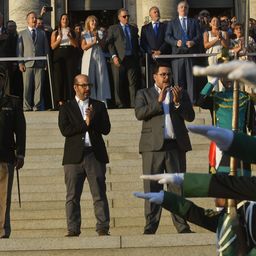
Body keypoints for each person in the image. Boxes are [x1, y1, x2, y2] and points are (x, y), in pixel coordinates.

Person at [134, 62, 195, 234]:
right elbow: (139, 114)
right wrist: (158, 102)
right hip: (152, 148)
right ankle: (151, 225)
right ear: (155, 77)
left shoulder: (180, 93)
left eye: (168, 74)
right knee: (152, 188)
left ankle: (182, 226)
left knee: (177, 189)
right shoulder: (144, 93)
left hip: (175, 147)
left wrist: (177, 104)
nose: (167, 78)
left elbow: (190, 116)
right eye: (163, 75)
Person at [134, 183, 256, 255]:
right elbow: (201, 216)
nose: (213, 197)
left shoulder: (250, 210)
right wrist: (166, 199)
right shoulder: (227, 215)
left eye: (217, 191)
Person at [58, 74, 111, 237]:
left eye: (89, 85)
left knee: (99, 193)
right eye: (83, 85)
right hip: (73, 157)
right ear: (75, 87)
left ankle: (102, 227)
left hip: (94, 154)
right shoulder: (66, 107)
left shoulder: (99, 106)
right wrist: (85, 123)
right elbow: (65, 130)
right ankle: (73, 228)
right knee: (72, 195)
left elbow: (106, 129)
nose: (87, 89)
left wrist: (92, 120)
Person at [197, 76, 255, 176]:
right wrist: (212, 81)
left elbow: (252, 126)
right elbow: (200, 101)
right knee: (222, 183)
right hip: (221, 146)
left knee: (242, 183)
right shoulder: (215, 97)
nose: (228, 78)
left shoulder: (246, 98)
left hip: (240, 145)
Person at [0, 65, 26, 238]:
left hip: (5, 156)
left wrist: (21, 153)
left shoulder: (13, 102)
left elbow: (21, 129)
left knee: (3, 197)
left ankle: (2, 230)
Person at [165, 1, 201, 104]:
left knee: (191, 80)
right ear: (177, 9)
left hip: (190, 54)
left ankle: (191, 102)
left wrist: (193, 42)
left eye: (185, 7)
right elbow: (167, 37)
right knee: (178, 80)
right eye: (181, 7)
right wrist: (176, 42)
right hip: (177, 55)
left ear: (188, 9)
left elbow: (199, 36)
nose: (183, 9)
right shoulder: (172, 23)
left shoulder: (193, 22)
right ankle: (178, 101)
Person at [107, 8, 141, 108]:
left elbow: (136, 44)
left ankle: (133, 103)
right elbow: (110, 43)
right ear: (119, 18)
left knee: (133, 82)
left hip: (131, 58)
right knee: (118, 82)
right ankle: (119, 103)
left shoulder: (133, 29)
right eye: (124, 16)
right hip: (119, 59)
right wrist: (114, 56)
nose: (126, 18)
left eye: (128, 16)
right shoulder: (113, 28)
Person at [17, 11, 49, 111]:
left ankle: (37, 106)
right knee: (27, 87)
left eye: (35, 18)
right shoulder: (21, 34)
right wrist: (20, 63)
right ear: (27, 20)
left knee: (38, 87)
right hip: (27, 64)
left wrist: (46, 63)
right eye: (32, 18)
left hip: (40, 64)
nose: (34, 20)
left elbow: (46, 49)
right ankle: (26, 107)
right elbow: (19, 50)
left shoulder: (42, 33)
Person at [81, 16, 111, 106]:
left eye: (95, 20)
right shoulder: (84, 33)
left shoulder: (100, 32)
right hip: (88, 57)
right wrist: (93, 42)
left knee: (101, 77)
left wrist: (98, 37)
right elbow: (83, 47)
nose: (94, 22)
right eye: (92, 21)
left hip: (98, 55)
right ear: (88, 23)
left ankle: (102, 100)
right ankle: (90, 99)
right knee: (89, 78)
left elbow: (103, 46)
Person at [51, 13, 78, 109]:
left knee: (70, 76)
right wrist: (60, 38)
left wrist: (70, 37)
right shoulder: (55, 32)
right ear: (60, 20)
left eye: (66, 19)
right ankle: (60, 100)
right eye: (63, 19)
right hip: (59, 54)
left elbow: (76, 45)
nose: (65, 21)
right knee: (59, 77)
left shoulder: (73, 31)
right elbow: (53, 46)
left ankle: (70, 98)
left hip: (70, 54)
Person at [140, 6, 170, 88]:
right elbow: (143, 42)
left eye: (158, 12)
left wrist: (160, 51)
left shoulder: (165, 27)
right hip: (150, 59)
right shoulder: (145, 28)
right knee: (151, 80)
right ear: (150, 15)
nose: (157, 13)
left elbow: (167, 40)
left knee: (164, 80)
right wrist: (151, 52)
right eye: (155, 12)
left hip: (163, 58)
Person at [203, 16, 229, 88]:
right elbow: (206, 45)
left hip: (222, 56)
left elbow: (227, 46)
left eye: (217, 21)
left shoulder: (225, 33)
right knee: (212, 78)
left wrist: (221, 38)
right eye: (214, 21)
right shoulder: (206, 33)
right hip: (211, 57)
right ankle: (213, 95)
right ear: (210, 23)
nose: (216, 23)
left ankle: (222, 96)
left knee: (222, 78)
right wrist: (216, 39)